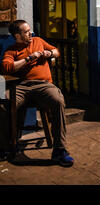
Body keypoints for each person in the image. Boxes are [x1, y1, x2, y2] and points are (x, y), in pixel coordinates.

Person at [0, 20, 74, 166]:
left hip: (43, 85)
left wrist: (49, 53)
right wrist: (29, 58)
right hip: (21, 86)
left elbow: (56, 52)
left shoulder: (38, 41)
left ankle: (60, 150)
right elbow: (6, 67)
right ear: (17, 36)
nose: (30, 33)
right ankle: (5, 147)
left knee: (58, 101)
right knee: (2, 104)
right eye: (26, 32)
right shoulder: (11, 50)